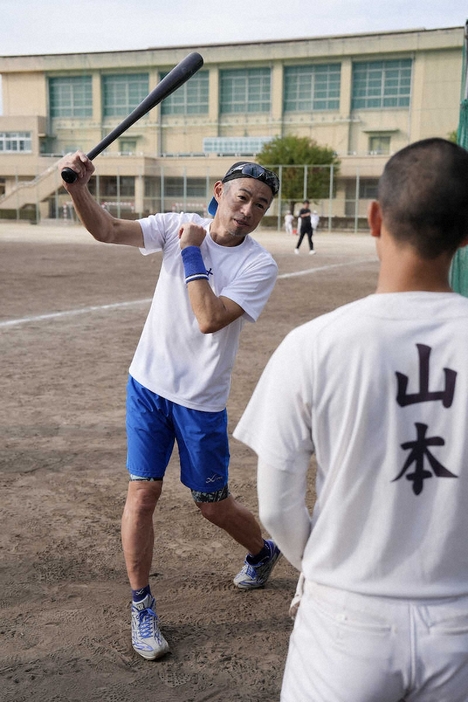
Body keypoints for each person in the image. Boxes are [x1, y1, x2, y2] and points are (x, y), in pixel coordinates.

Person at [234, 138, 468, 702]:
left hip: (345, 621)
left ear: (374, 218)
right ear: (465, 233)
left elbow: (277, 507)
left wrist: (326, 569)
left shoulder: (314, 343)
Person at [59, 154, 282, 661]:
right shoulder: (176, 224)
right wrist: (79, 191)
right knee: (143, 493)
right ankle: (142, 605)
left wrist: (190, 255)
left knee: (212, 505)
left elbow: (207, 318)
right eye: (243, 197)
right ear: (219, 190)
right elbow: (108, 230)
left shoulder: (258, 264)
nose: (249, 210)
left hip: (201, 402)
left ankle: (262, 551)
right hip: (148, 385)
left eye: (261, 205)